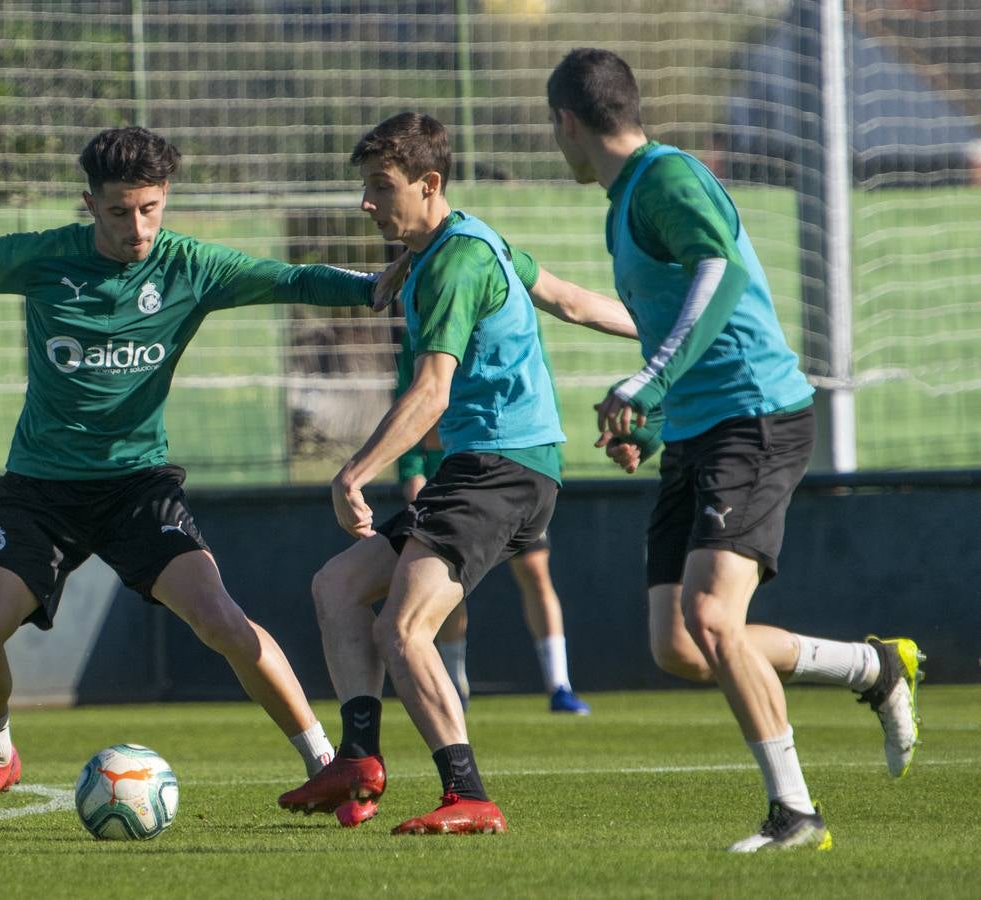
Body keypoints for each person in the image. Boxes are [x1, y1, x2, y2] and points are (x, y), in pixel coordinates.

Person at [0, 125, 393, 830]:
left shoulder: (191, 267)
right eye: (119, 211)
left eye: (150, 208)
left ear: (165, 198)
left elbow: (295, 279)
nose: (137, 227)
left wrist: (380, 288)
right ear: (90, 204)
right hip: (41, 491)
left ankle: (324, 763)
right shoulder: (42, 258)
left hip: (138, 487)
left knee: (224, 624)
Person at [547, 48, 924, 852]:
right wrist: (652, 421)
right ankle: (873, 668)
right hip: (695, 429)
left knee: (714, 618)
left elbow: (717, 277)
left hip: (754, 417)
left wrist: (645, 383)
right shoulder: (624, 200)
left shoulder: (667, 179)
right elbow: (672, 317)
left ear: (567, 123)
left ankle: (795, 815)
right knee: (681, 646)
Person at [278, 112, 640, 835]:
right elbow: (570, 300)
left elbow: (431, 390)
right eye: (365, 187)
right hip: (485, 467)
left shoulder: (454, 262)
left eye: (382, 188)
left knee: (405, 629)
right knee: (338, 586)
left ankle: (468, 794)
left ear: (429, 183)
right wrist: (664, 329)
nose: (367, 203)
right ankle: (355, 758)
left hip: (501, 467)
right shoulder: (466, 242)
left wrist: (353, 472)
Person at [395, 345, 593, 715]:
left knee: (535, 572)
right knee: (445, 582)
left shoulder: (512, 320)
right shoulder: (422, 325)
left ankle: (559, 685)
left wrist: (552, 467)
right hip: (452, 478)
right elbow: (411, 397)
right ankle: (455, 686)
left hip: (514, 474)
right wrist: (411, 471)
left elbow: (540, 393)